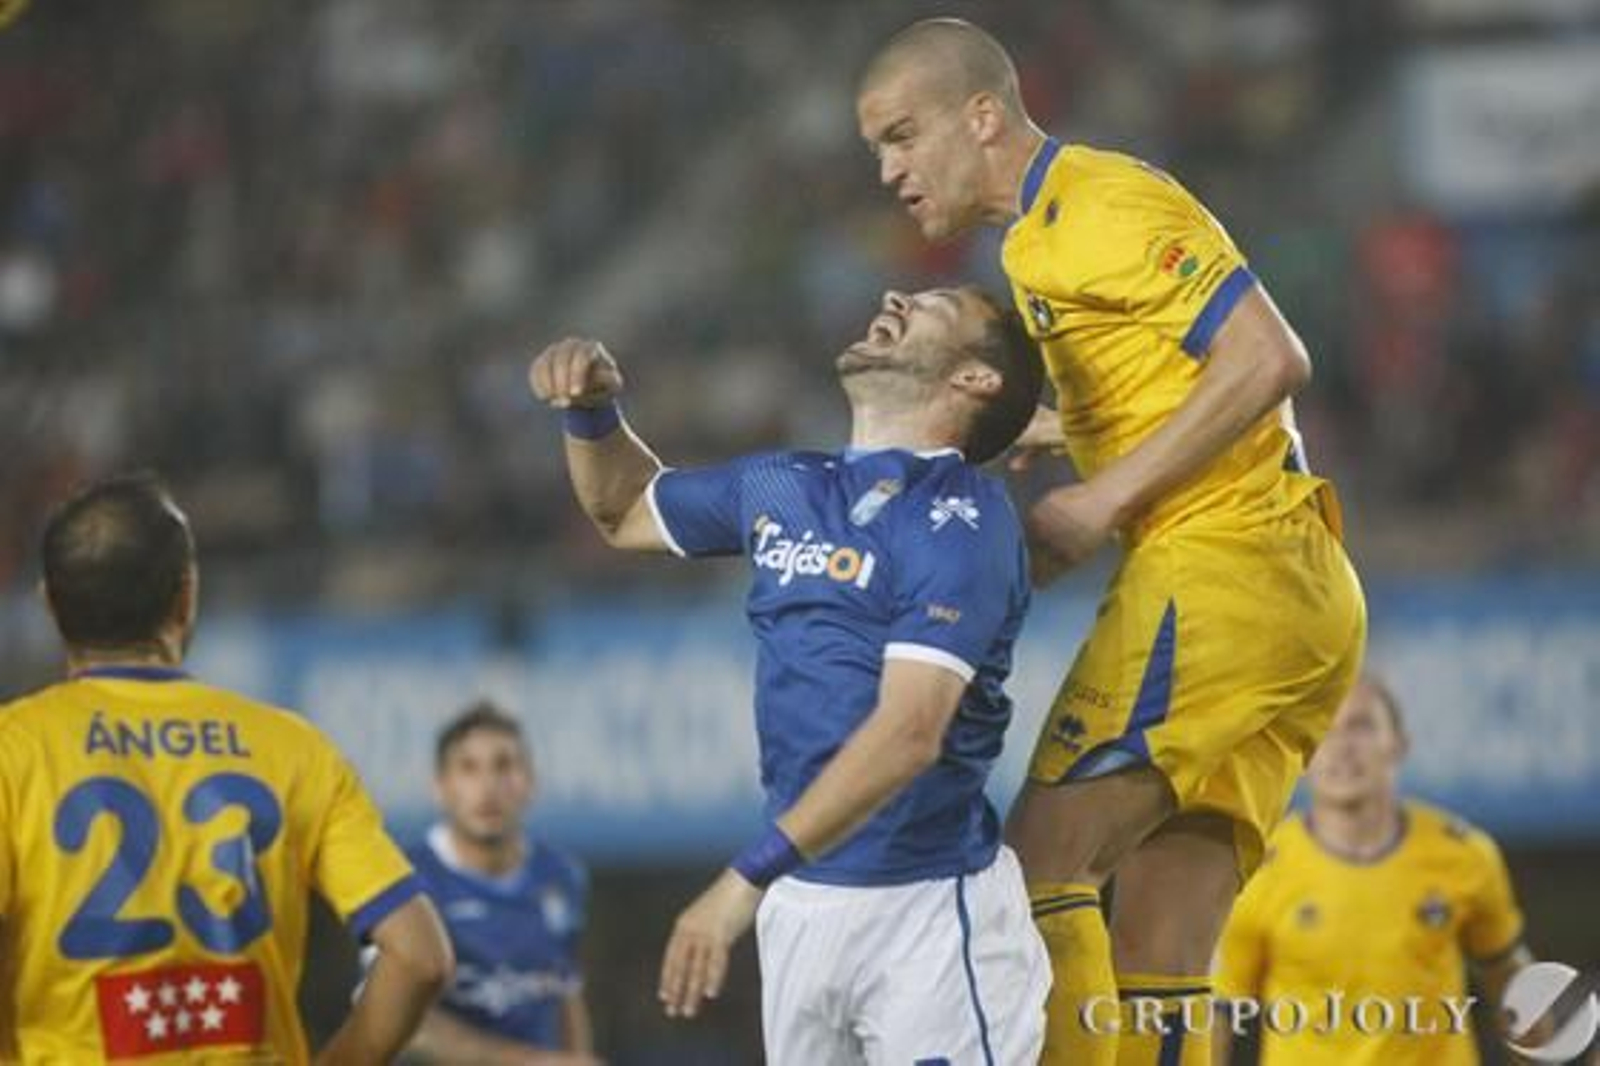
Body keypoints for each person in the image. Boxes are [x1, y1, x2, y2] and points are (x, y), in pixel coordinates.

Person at [857, 19, 1367, 1066]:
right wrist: (1058, 436)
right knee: (1160, 941)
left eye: (903, 135)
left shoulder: (1100, 203)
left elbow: (1268, 356)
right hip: (1295, 592)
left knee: (1040, 866)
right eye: (877, 148)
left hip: (1226, 561)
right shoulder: (1034, 241)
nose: (889, 169)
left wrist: (1100, 500)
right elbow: (1162, 377)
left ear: (983, 115)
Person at [529, 286, 1048, 1064]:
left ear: (976, 380)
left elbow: (910, 733)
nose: (896, 294)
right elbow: (626, 508)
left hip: (932, 911)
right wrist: (594, 414)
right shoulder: (784, 483)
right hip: (802, 908)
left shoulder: (963, 516)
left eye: (939, 304)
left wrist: (744, 880)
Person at [0, 472, 452, 1064]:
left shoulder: (13, 751)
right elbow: (419, 956)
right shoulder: (292, 749)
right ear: (186, 597)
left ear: (51, 606)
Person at [1214, 677, 1534, 1065]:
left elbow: (1510, 980)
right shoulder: (1257, 871)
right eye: (1324, 731)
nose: (1342, 747)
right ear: (1301, 752)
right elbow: (1219, 1015)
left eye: (1361, 726)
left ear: (1399, 744)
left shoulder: (1464, 855)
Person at [403, 701, 600, 1066]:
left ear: (530, 783)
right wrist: (525, 1062)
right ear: (440, 787)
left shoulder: (561, 875)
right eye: (468, 768)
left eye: (504, 765)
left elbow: (566, 994)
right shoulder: (407, 881)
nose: (488, 786)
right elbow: (404, 1024)